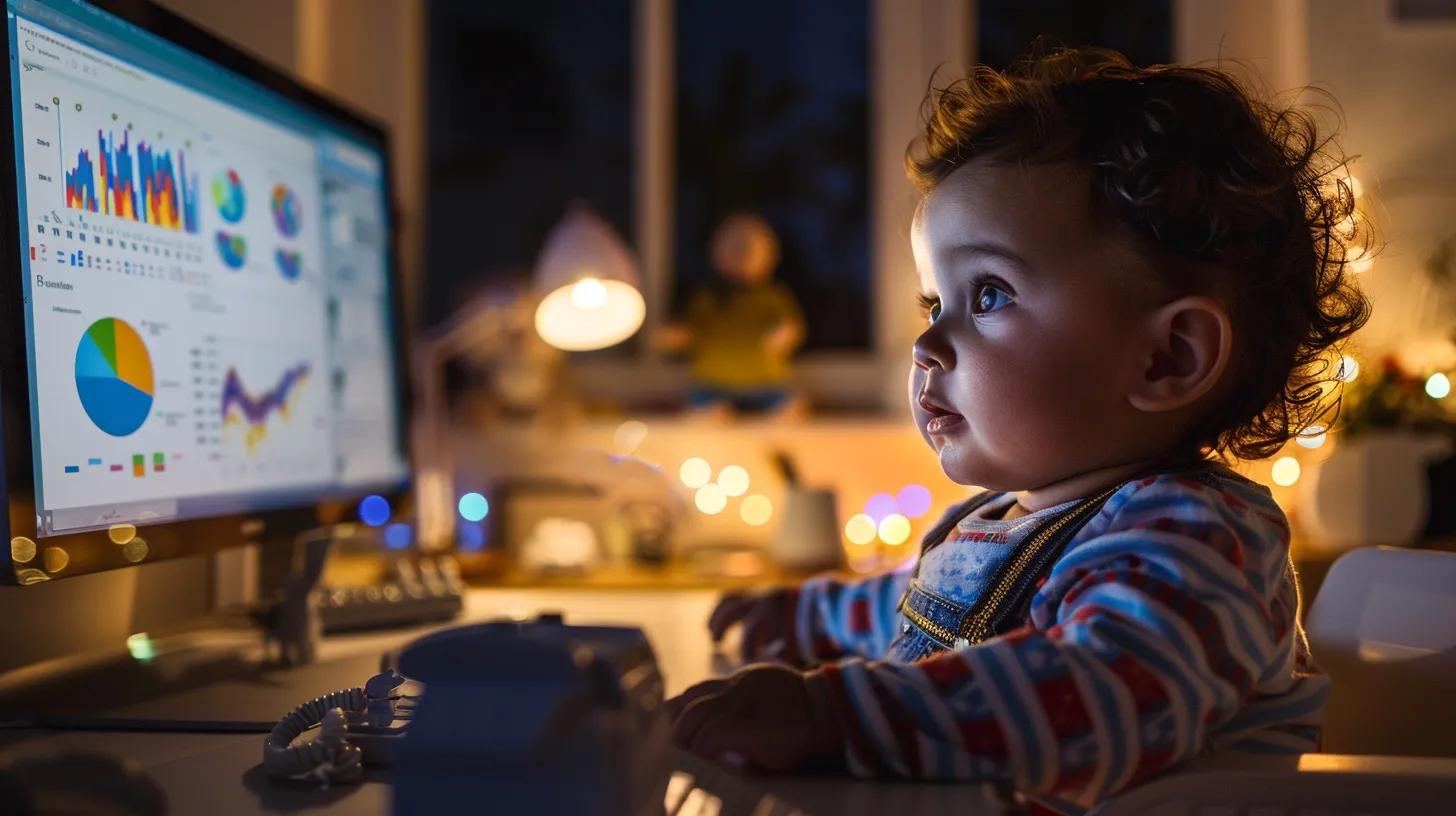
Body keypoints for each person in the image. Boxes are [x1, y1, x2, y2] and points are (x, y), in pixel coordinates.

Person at [664, 48, 1371, 814]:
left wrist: (832, 715)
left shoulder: (1198, 538)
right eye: (934, 304)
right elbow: (909, 609)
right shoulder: (998, 527)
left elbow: (1102, 696)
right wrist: (798, 620)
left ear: (1168, 357)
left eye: (991, 294)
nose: (927, 346)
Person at [658, 212, 807, 420]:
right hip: (712, 380)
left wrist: (784, 335)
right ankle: (708, 409)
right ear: (716, 253)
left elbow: (791, 327)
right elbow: (693, 330)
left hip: (764, 379)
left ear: (770, 257)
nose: (741, 256)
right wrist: (677, 337)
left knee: (785, 401)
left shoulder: (772, 297)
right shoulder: (708, 298)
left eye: (748, 251)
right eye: (734, 250)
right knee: (701, 401)